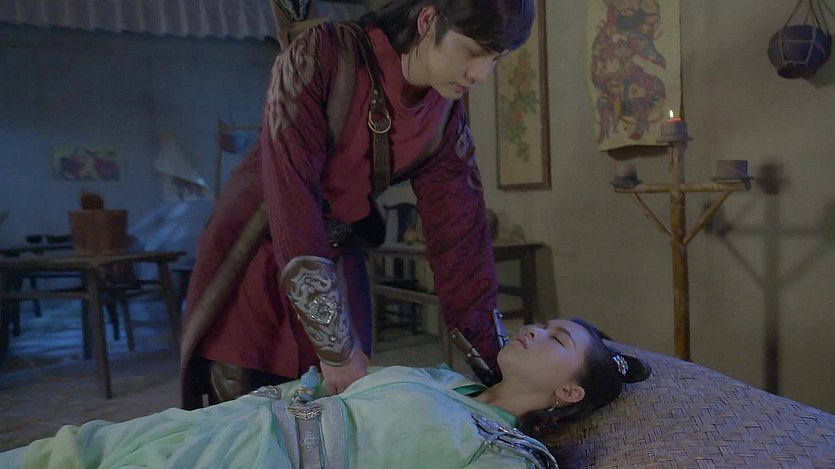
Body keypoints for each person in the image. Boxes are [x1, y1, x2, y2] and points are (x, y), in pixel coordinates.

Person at [181, 0, 537, 407]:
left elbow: (462, 241)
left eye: (495, 59)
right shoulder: (321, 54)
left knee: (341, 412)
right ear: (428, 19)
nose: (481, 74)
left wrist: (498, 369)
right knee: (250, 415)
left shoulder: (444, 119)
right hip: (255, 254)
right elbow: (293, 198)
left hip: (336, 254)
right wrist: (336, 347)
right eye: (472, 51)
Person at [0, 319, 651, 468]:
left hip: (268, 461)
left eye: (557, 337)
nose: (534, 327)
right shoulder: (445, 380)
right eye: (544, 322)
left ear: (568, 389)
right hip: (240, 421)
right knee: (75, 448)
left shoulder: (503, 453)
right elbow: (329, 384)